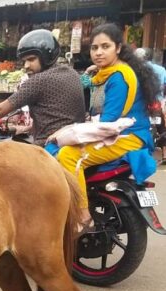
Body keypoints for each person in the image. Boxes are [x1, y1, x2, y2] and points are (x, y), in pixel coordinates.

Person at [57, 23, 160, 230]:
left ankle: (82, 215)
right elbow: (88, 87)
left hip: (126, 135)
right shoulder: (108, 72)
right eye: (94, 48)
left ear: (118, 48)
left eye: (105, 46)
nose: (99, 52)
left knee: (68, 155)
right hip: (125, 131)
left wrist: (66, 132)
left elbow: (108, 123)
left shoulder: (119, 76)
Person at [0, 29, 86, 157]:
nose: (26, 65)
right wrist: (20, 128)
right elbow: (56, 116)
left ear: (46, 56)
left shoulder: (39, 80)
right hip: (74, 142)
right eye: (25, 60)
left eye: (31, 59)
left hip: (49, 147)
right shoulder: (72, 73)